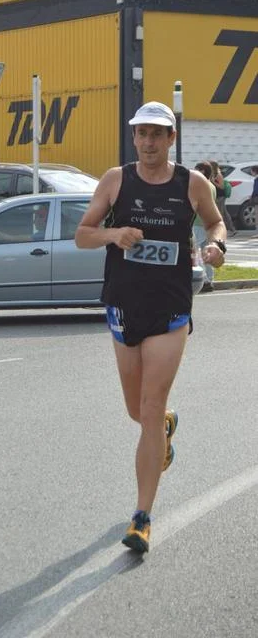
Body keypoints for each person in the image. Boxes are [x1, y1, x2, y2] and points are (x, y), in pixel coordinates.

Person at [75, 101, 226, 554]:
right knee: (137, 412)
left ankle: (141, 517)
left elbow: (216, 222)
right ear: (134, 137)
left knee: (151, 402)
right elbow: (83, 234)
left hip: (170, 308)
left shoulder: (192, 183)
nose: (148, 142)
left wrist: (215, 245)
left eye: (157, 134)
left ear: (171, 139)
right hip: (124, 305)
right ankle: (162, 428)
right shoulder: (115, 180)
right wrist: (113, 235)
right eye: (142, 133)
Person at [193, 161, 216, 292]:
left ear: (202, 171)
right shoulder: (211, 185)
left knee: (197, 252)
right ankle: (210, 279)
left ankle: (205, 280)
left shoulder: (201, 185)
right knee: (206, 253)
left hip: (197, 222)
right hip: (207, 223)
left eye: (196, 169)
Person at [209, 160, 236, 236]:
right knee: (224, 213)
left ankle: (224, 230)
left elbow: (222, 187)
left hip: (220, 196)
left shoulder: (218, 175)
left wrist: (213, 182)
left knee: (220, 214)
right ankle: (232, 229)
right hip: (216, 196)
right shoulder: (212, 174)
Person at [250, 165, 258, 234]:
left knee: (257, 213)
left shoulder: (256, 179)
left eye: (251, 171)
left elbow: (256, 190)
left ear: (255, 171)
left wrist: (252, 196)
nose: (251, 172)